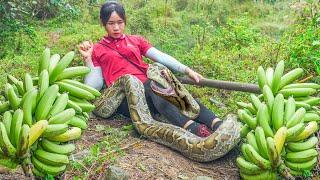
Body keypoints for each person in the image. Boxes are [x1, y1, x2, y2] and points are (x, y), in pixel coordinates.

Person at [79, 1, 222, 137]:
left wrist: (187, 70)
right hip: (126, 98)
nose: (116, 28)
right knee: (154, 87)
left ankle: (215, 122)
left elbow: (160, 56)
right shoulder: (97, 49)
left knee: (175, 92)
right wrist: (88, 59)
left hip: (152, 90)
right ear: (102, 22)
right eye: (111, 23)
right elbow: (93, 86)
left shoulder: (136, 40)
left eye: (119, 22)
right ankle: (192, 127)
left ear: (125, 21)